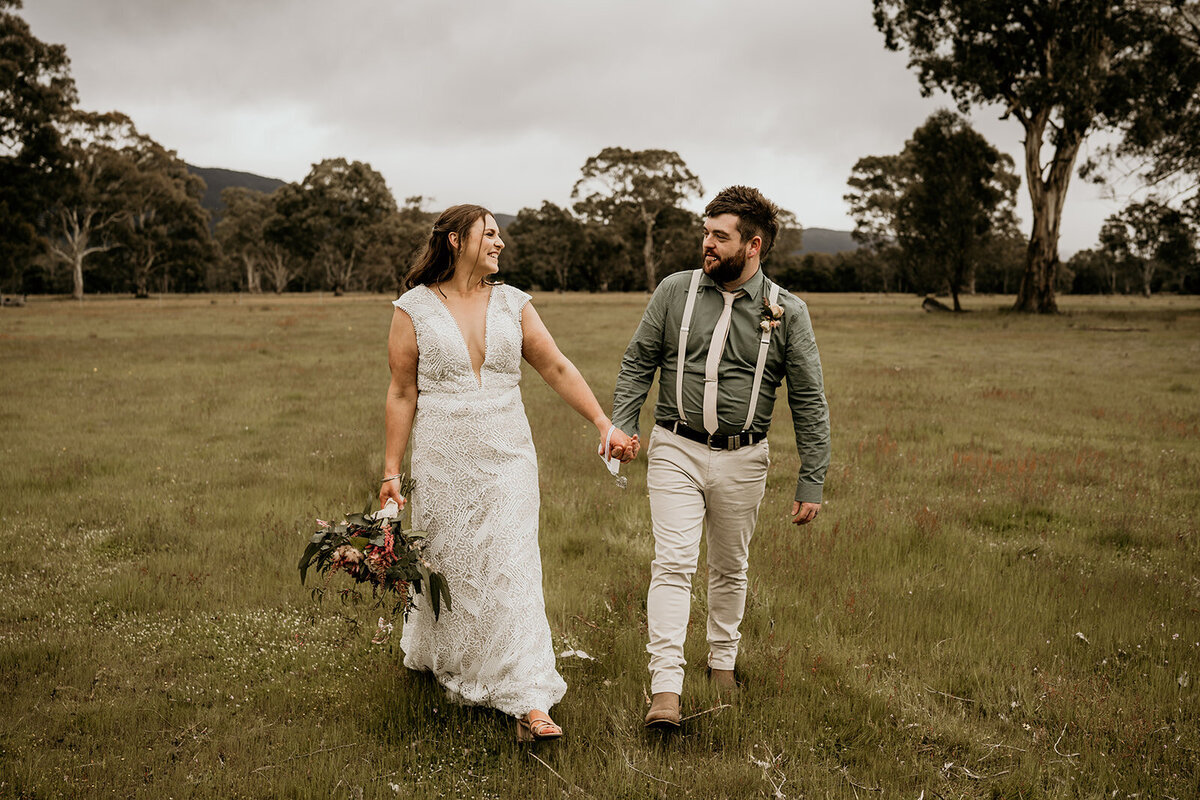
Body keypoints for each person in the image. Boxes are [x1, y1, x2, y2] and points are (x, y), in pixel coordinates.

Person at [380, 204, 637, 741]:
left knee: (512, 568)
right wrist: (391, 472)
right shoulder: (413, 309)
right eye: (490, 234)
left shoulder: (514, 303)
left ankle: (528, 699)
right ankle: (453, 660)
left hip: (509, 458)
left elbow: (556, 366)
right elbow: (402, 392)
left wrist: (602, 423)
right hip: (443, 460)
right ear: (456, 240)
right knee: (453, 566)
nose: (500, 243)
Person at [611, 186, 831, 729]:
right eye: (706, 233)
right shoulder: (674, 290)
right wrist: (623, 423)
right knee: (673, 563)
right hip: (675, 447)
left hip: (744, 457)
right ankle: (666, 688)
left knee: (730, 566)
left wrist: (812, 480)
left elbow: (808, 399)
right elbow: (639, 360)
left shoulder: (788, 311)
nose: (707, 244)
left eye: (720, 236)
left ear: (753, 246)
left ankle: (722, 662)